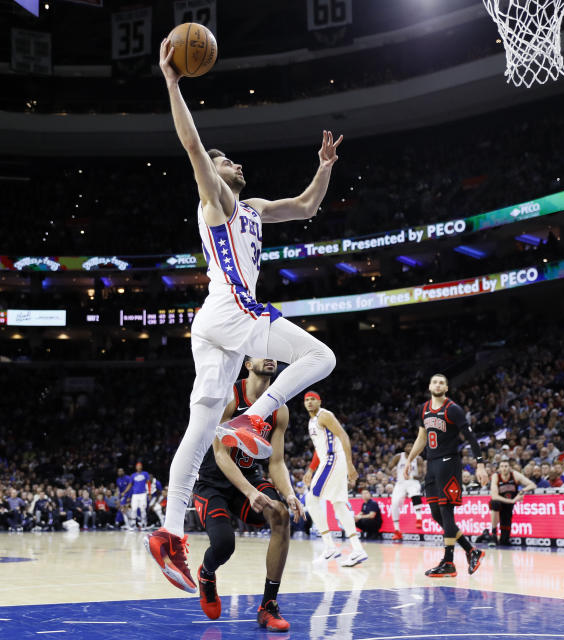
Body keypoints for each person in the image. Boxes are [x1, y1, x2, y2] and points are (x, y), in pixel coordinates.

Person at [148, 36, 341, 593]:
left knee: (202, 423)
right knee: (320, 356)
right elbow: (192, 144)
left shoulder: (252, 208)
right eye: (223, 160)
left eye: (228, 160)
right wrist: (172, 83)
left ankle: (168, 534)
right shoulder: (217, 201)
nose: (232, 161)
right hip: (233, 313)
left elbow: (306, 206)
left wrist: (324, 167)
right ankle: (255, 416)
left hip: (212, 323)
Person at [192, 358, 305, 632]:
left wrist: (289, 494)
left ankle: (268, 605)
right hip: (213, 482)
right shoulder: (230, 396)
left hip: (249, 477)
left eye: (272, 354)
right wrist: (249, 491)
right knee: (224, 546)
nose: (269, 357)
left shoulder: (280, 410)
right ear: (247, 363)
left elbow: (276, 462)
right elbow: (220, 454)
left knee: (280, 514)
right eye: (260, 352)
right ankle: (207, 575)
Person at [405, 373, 488, 577]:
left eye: (442, 382)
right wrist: (410, 459)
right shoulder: (423, 409)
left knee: (447, 513)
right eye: (435, 381)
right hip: (431, 465)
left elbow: (470, 437)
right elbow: (421, 437)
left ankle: (448, 562)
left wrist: (480, 465)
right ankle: (471, 551)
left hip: (449, 463)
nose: (438, 384)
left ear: (447, 388)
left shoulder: (453, 409)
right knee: (436, 514)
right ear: (429, 386)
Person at [301, 392, 366, 567]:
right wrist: (310, 469)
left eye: (313, 399)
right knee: (338, 504)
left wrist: (351, 464)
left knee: (311, 499)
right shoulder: (312, 422)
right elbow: (318, 449)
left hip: (334, 459)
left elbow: (343, 436)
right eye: (306, 400)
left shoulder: (325, 415)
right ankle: (357, 549)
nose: (309, 402)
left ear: (319, 401)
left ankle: (330, 547)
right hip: (327, 460)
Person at [485, 461, 536, 546]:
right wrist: (512, 501)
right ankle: (493, 533)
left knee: (504, 541)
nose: (504, 468)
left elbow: (532, 485)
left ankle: (489, 536)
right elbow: (494, 496)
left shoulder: (515, 475)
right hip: (501, 502)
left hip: (509, 505)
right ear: (499, 468)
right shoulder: (496, 476)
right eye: (502, 466)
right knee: (494, 503)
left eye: (506, 466)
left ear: (510, 468)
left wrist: (522, 491)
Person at [387, 444, 424, 541]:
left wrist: (411, 475)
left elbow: (421, 475)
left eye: (412, 446)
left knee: (415, 493)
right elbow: (389, 467)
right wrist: (392, 472)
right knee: (394, 503)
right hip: (400, 482)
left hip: (412, 481)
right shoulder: (399, 457)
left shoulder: (418, 458)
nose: (410, 448)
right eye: (408, 446)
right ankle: (397, 531)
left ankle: (419, 518)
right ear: (404, 448)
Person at [129, 462, 151, 530]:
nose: (139, 467)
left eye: (140, 466)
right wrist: (125, 492)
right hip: (135, 494)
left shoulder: (145, 474)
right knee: (134, 509)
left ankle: (144, 523)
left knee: (143, 509)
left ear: (141, 467)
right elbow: (130, 485)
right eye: (138, 466)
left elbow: (148, 483)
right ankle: (133, 524)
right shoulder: (133, 475)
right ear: (136, 467)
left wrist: (149, 493)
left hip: (143, 494)